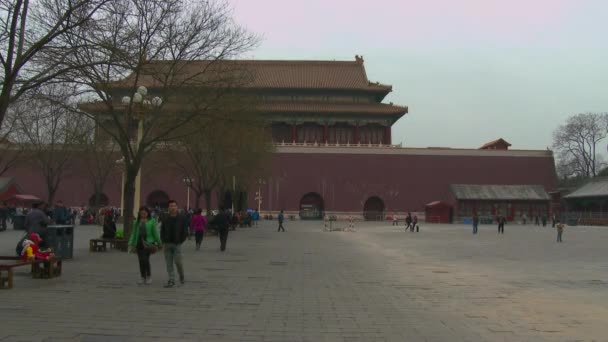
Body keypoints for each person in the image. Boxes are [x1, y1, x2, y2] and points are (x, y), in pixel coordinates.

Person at [128, 207, 161, 285]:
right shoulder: (136, 222)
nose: (143, 214)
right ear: (139, 213)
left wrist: (159, 243)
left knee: (145, 260)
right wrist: (130, 243)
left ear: (148, 213)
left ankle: (148, 276)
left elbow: (155, 233)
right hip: (139, 243)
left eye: (145, 213)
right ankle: (142, 277)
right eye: (141, 213)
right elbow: (133, 233)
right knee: (141, 261)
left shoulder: (152, 221)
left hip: (148, 244)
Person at [160, 200, 189, 288]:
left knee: (178, 262)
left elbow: (185, 231)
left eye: (174, 206)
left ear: (177, 207)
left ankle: (181, 275)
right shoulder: (165, 218)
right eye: (171, 206)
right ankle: (171, 279)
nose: (172, 208)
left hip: (177, 244)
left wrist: (181, 240)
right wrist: (163, 240)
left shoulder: (182, 218)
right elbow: (162, 230)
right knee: (169, 263)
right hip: (167, 244)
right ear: (168, 208)